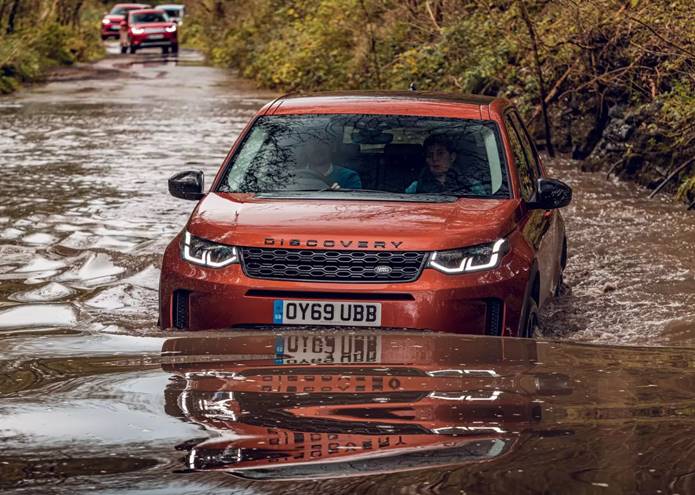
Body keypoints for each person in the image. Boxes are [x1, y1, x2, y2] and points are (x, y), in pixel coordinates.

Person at [405, 134, 486, 195]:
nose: (435, 159)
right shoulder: (416, 187)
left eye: (440, 153)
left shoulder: (472, 185)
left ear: (452, 157)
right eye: (430, 155)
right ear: (426, 160)